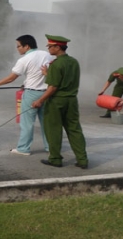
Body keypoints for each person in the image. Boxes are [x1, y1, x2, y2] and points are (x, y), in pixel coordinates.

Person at [0, 34, 53, 156]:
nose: (17, 48)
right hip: (47, 94)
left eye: (18, 46)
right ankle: (51, 147)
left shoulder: (24, 60)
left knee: (27, 123)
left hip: (32, 94)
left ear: (26, 46)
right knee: (47, 122)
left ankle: (23, 149)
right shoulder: (47, 55)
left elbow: (11, 79)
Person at [31, 34, 88, 169]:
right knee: (74, 130)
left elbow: (53, 87)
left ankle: (55, 159)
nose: (49, 49)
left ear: (57, 47)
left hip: (56, 102)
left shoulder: (56, 64)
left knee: (54, 130)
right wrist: (47, 73)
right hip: (72, 101)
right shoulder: (73, 62)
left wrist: (40, 100)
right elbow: (63, 79)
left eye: (50, 47)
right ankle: (82, 160)